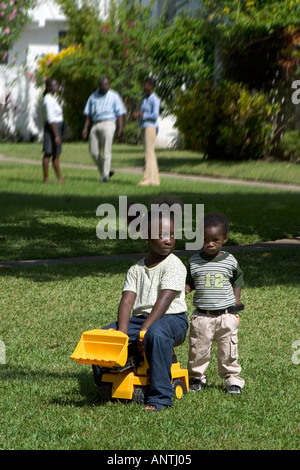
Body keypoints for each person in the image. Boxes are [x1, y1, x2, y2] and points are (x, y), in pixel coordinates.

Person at [94, 205, 188, 411]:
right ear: (146, 236)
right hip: (141, 319)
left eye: (172, 234)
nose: (169, 240)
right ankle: (109, 380)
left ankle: (160, 397)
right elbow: (127, 302)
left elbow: (165, 300)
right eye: (162, 234)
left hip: (172, 320)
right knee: (104, 336)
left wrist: (145, 328)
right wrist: (121, 333)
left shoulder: (174, 265)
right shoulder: (136, 269)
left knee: (156, 333)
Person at [185, 212, 245, 395]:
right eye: (205, 239)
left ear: (224, 239)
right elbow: (190, 281)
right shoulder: (194, 262)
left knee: (228, 350)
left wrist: (237, 298)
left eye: (215, 240)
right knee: (198, 350)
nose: (209, 243)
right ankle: (196, 378)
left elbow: (238, 278)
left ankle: (232, 380)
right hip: (202, 316)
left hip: (226, 315)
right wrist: (186, 288)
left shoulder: (229, 260)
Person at [82, 77, 126, 182]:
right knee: (93, 152)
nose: (106, 86)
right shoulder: (93, 97)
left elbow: (120, 113)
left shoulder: (114, 96)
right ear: (99, 86)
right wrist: (85, 127)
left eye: (108, 84)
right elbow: (88, 114)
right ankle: (106, 170)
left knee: (107, 151)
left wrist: (120, 128)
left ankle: (105, 176)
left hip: (109, 123)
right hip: (95, 124)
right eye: (104, 85)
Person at [133, 77, 160, 186]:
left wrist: (141, 115)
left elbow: (155, 115)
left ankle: (146, 179)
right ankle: (155, 180)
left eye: (145, 85)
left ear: (151, 86)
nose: (143, 87)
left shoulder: (155, 99)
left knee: (148, 154)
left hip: (151, 127)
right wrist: (139, 115)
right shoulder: (144, 98)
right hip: (144, 126)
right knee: (151, 154)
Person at [42, 78, 64, 184]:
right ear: (48, 87)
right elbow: (51, 118)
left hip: (58, 127)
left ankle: (60, 178)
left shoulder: (53, 98)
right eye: (54, 85)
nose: (57, 87)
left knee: (56, 153)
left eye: (57, 85)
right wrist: (56, 136)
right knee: (48, 153)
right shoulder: (48, 99)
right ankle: (46, 178)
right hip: (52, 128)